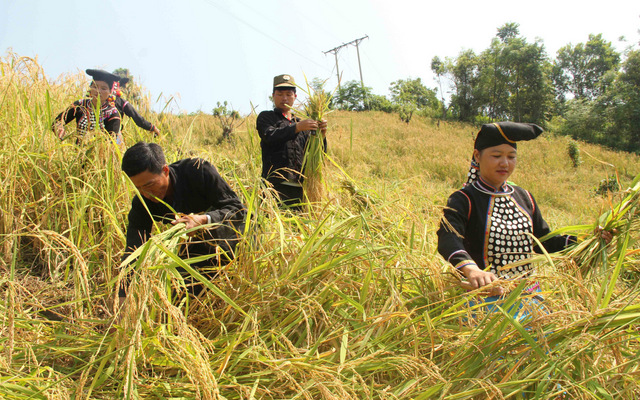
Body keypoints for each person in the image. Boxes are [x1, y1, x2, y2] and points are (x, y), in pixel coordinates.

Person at [437, 122, 577, 307]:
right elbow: (448, 238)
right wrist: (472, 270)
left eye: (511, 156)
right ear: (477, 156)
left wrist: (587, 241)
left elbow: (544, 241)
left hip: (529, 297)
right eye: (496, 156)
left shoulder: (524, 197)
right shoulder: (464, 199)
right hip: (485, 297)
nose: (505, 163)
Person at [119, 142, 246, 297]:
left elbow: (238, 210)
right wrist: (123, 295)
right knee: (177, 288)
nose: (146, 194)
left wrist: (205, 220)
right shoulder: (143, 202)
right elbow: (133, 250)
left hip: (231, 237)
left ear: (165, 170)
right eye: (138, 189)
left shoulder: (198, 171)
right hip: (194, 247)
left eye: (149, 185)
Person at [256, 74, 328, 208]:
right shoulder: (266, 117)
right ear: (273, 96)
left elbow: (316, 155)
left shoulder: (303, 124)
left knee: (296, 227)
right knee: (272, 227)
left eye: (289, 94)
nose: (284, 98)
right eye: (280, 94)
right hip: (274, 187)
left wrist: (321, 136)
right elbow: (270, 136)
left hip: (299, 189)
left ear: (295, 97)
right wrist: (297, 128)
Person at [52, 69, 123, 144]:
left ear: (110, 92)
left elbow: (111, 141)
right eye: (95, 87)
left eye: (103, 88)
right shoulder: (80, 105)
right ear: (90, 88)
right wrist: (59, 127)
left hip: (101, 153)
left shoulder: (112, 113)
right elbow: (58, 121)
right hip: (78, 152)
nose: (98, 91)